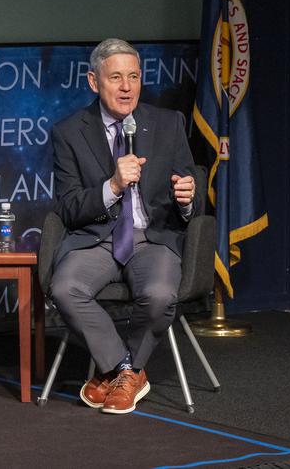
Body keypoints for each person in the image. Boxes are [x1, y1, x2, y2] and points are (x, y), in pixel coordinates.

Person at [50, 38, 198, 415]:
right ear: (93, 81)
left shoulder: (168, 123)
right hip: (97, 239)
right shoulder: (68, 132)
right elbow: (68, 207)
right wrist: (112, 187)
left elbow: (189, 185)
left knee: (161, 294)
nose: (127, 86)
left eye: (133, 76)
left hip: (152, 238)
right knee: (65, 288)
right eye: (115, 77)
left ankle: (117, 374)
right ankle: (126, 369)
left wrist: (187, 197)